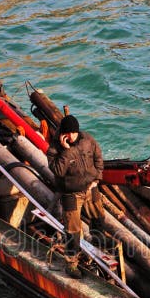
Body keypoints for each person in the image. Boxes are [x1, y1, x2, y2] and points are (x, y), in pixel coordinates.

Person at [47, 114, 106, 278]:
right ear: (63, 134)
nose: (72, 136)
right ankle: (71, 264)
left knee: (99, 218)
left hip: (90, 187)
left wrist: (98, 178)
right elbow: (58, 171)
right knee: (73, 231)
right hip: (71, 194)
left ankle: (99, 247)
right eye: (68, 133)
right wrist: (67, 151)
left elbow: (98, 158)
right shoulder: (54, 149)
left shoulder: (88, 140)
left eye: (74, 133)